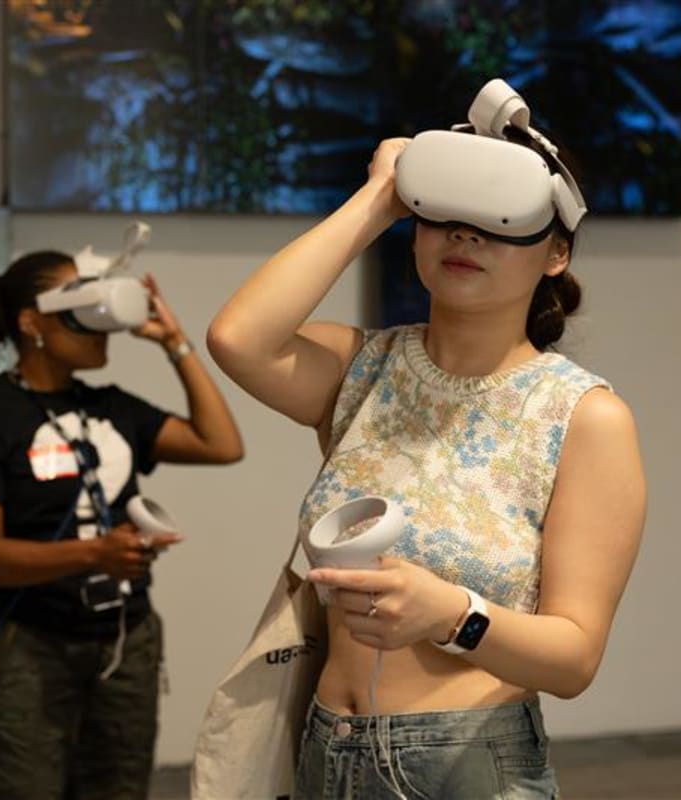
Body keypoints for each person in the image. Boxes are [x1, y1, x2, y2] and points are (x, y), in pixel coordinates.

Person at [207, 80, 645, 799]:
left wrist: (452, 615)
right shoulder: (363, 369)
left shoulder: (581, 415)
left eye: (501, 221)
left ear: (556, 253)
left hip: (466, 763)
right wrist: (378, 197)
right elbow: (237, 338)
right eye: (444, 214)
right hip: (324, 748)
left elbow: (574, 658)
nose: (466, 236)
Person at [0, 249, 243, 800]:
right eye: (80, 311)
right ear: (32, 323)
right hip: (27, 645)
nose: (101, 330)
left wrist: (174, 342)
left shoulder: (112, 407)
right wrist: (96, 554)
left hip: (125, 640)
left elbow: (221, 444)